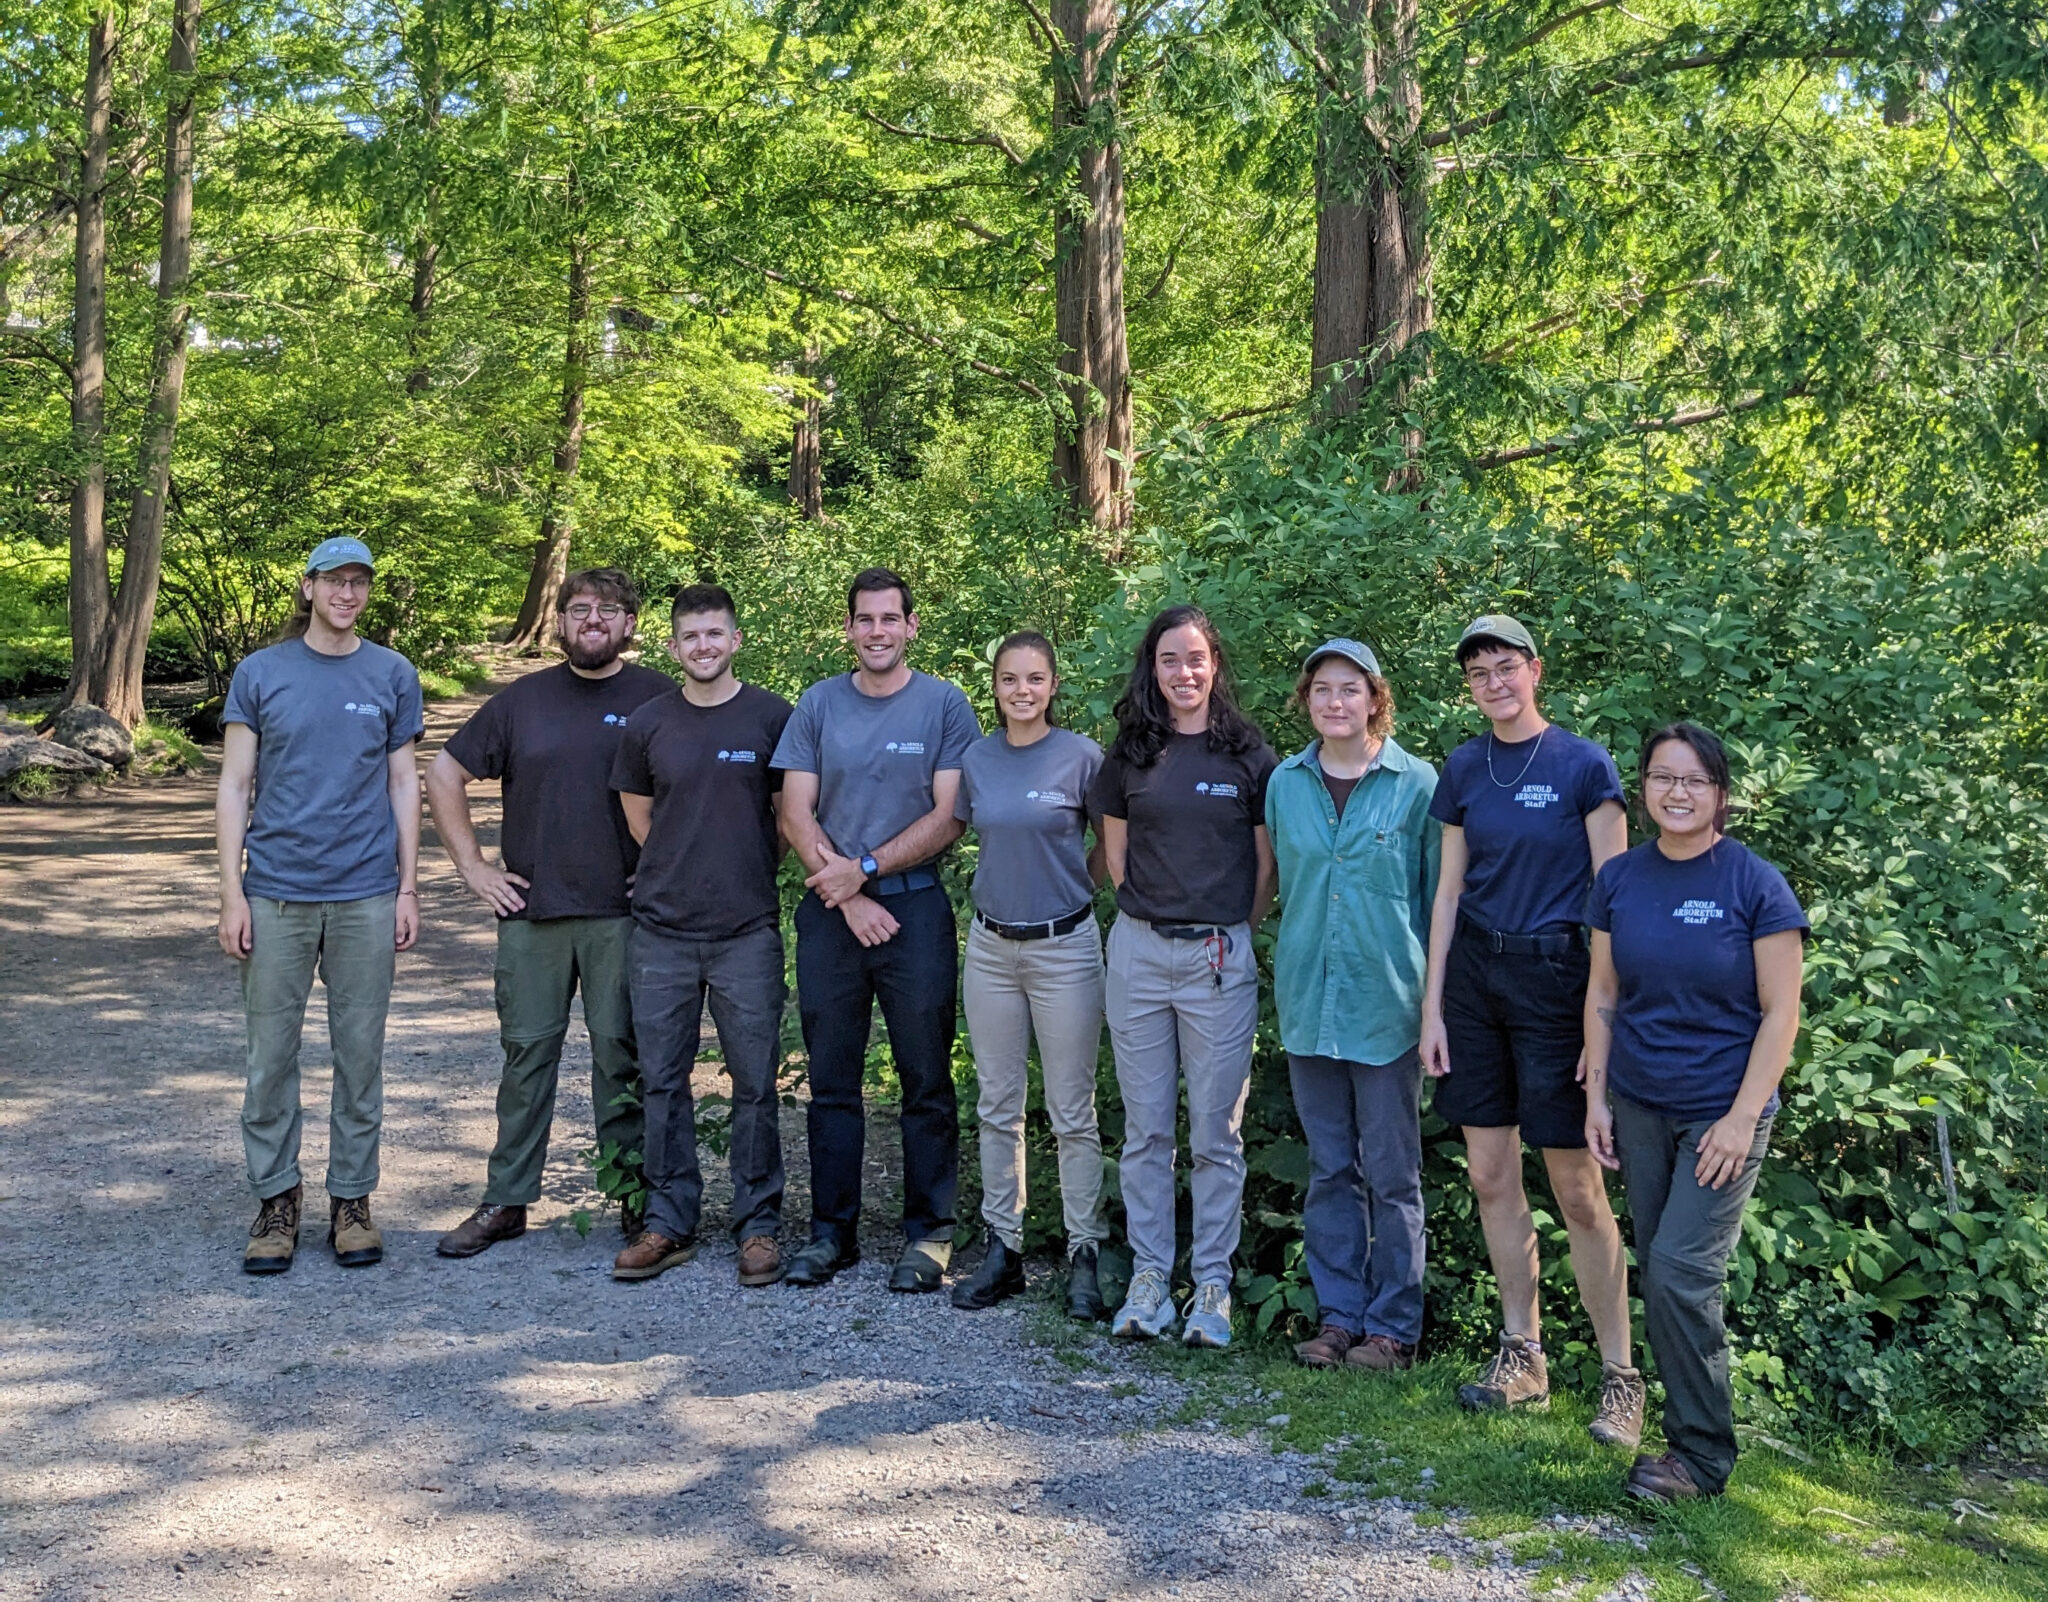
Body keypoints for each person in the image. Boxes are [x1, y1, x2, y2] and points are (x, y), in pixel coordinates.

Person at [1418, 613, 1643, 1447]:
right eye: (1478, 673)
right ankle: (1524, 1355)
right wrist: (1433, 1004)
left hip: (1559, 981)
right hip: (1476, 977)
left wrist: (1602, 1025)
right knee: (1487, 1172)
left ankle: (1621, 1378)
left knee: (1579, 1187)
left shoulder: (1586, 765)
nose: (1493, 683)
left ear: (1535, 670)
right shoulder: (1464, 767)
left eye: (1505, 667)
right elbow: (1447, 893)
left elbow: (1616, 905)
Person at [1584, 723, 1806, 1502]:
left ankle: (1702, 1459)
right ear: (1643, 788)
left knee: (1682, 1272)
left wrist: (1743, 1117)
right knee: (1664, 1272)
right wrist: (1597, 1100)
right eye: (1661, 777)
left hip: (1723, 1112)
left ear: (1721, 794)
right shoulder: (1620, 880)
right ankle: (1686, 1444)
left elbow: (1782, 1015)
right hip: (1640, 1104)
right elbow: (1605, 994)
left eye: (1694, 781)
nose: (1677, 793)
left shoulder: (1754, 884)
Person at [425, 569, 671, 1267]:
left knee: (621, 1054)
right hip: (532, 912)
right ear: (559, 621)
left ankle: (634, 1194)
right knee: (527, 1054)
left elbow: (692, 787)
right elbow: (443, 774)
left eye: (610, 610)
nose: (593, 619)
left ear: (630, 624)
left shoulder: (658, 696)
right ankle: (507, 1200)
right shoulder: (521, 701)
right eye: (579, 608)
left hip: (622, 915)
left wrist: (664, 869)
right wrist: (473, 868)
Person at [216, 536, 423, 1274]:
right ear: (307, 588)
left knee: (359, 1055)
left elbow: (404, 784)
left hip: (366, 892)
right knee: (270, 1058)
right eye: (334, 581)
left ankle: (352, 1201)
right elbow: (236, 786)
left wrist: (407, 886)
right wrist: (231, 891)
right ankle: (276, 1200)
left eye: (359, 583)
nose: (346, 594)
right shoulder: (261, 672)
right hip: (275, 891)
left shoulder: (392, 673)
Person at [771, 567, 981, 1291]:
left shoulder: (945, 705)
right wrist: (848, 890)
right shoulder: (819, 704)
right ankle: (832, 1232)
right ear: (849, 629)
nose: (878, 632)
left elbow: (951, 815)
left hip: (915, 910)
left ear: (912, 626)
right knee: (832, 1079)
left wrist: (862, 868)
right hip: (833, 912)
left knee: (926, 1078)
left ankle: (930, 1233)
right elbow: (794, 811)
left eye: (891, 619)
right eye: (865, 620)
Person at [1089, 604, 1276, 1350]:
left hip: (1218, 958)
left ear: (1215, 665)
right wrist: (1153, 920)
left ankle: (1212, 1286)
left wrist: (1230, 932)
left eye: (1196, 658)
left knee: (1215, 1133)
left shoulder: (1249, 757)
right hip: (1137, 952)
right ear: (1153, 668)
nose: (1184, 673)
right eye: (1170, 660)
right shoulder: (1130, 755)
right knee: (1146, 1130)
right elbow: (1114, 863)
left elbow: (1265, 871)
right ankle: (1147, 1280)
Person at [609, 583, 794, 1286]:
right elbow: (639, 819)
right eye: (691, 636)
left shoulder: (773, 718)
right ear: (672, 646)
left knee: (753, 1084)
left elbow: (787, 819)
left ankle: (759, 1226)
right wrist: (681, 868)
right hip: (661, 931)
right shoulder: (647, 724)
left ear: (736, 639)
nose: (704, 646)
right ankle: (668, 1222)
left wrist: (736, 868)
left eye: (716, 634)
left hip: (747, 930)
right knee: (661, 1081)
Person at [1265, 640, 1441, 1372]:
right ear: (1306, 700)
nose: (1335, 703)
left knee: (1393, 1175)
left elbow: (1437, 902)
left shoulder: (1417, 784)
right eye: (1321, 690)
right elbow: (1279, 883)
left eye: (1350, 689)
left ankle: (1392, 1330)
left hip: (1388, 1008)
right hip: (1310, 1002)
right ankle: (1338, 1319)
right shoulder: (1285, 782)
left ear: (1375, 698)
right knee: (1331, 1168)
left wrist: (1436, 1007)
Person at [950, 631, 1109, 1318]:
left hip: (1065, 947)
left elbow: (1111, 845)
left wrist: (1080, 891)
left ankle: (1084, 1252)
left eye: (1035, 679)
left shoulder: (1081, 757)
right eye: (1010, 680)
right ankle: (1003, 1248)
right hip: (991, 949)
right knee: (997, 1104)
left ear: (1053, 685)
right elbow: (958, 830)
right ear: (996, 687)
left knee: (1073, 1111)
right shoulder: (976, 759)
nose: (1022, 691)